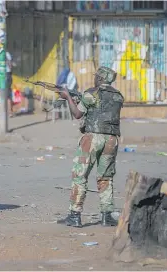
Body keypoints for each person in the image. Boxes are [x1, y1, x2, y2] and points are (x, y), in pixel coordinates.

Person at [57, 66, 124, 228]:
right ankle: (107, 215)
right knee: (105, 177)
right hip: (111, 139)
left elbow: (78, 114)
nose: (94, 79)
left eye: (96, 77)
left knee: (80, 175)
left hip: (92, 138)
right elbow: (101, 112)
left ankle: (75, 215)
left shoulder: (91, 94)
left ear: (100, 79)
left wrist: (67, 97)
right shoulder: (118, 96)